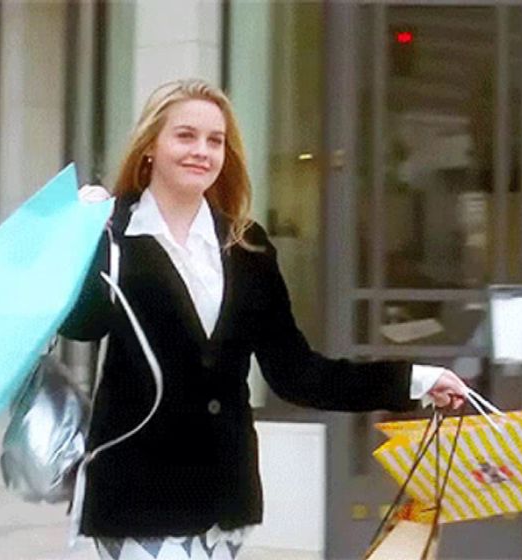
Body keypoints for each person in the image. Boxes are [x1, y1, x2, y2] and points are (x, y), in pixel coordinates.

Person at [61, 79, 469, 560]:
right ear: (151, 145)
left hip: (222, 503)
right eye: (186, 136)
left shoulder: (246, 246)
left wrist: (416, 380)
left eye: (215, 141)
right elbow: (81, 326)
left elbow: (297, 373)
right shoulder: (112, 233)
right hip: (137, 501)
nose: (202, 151)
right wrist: (78, 243)